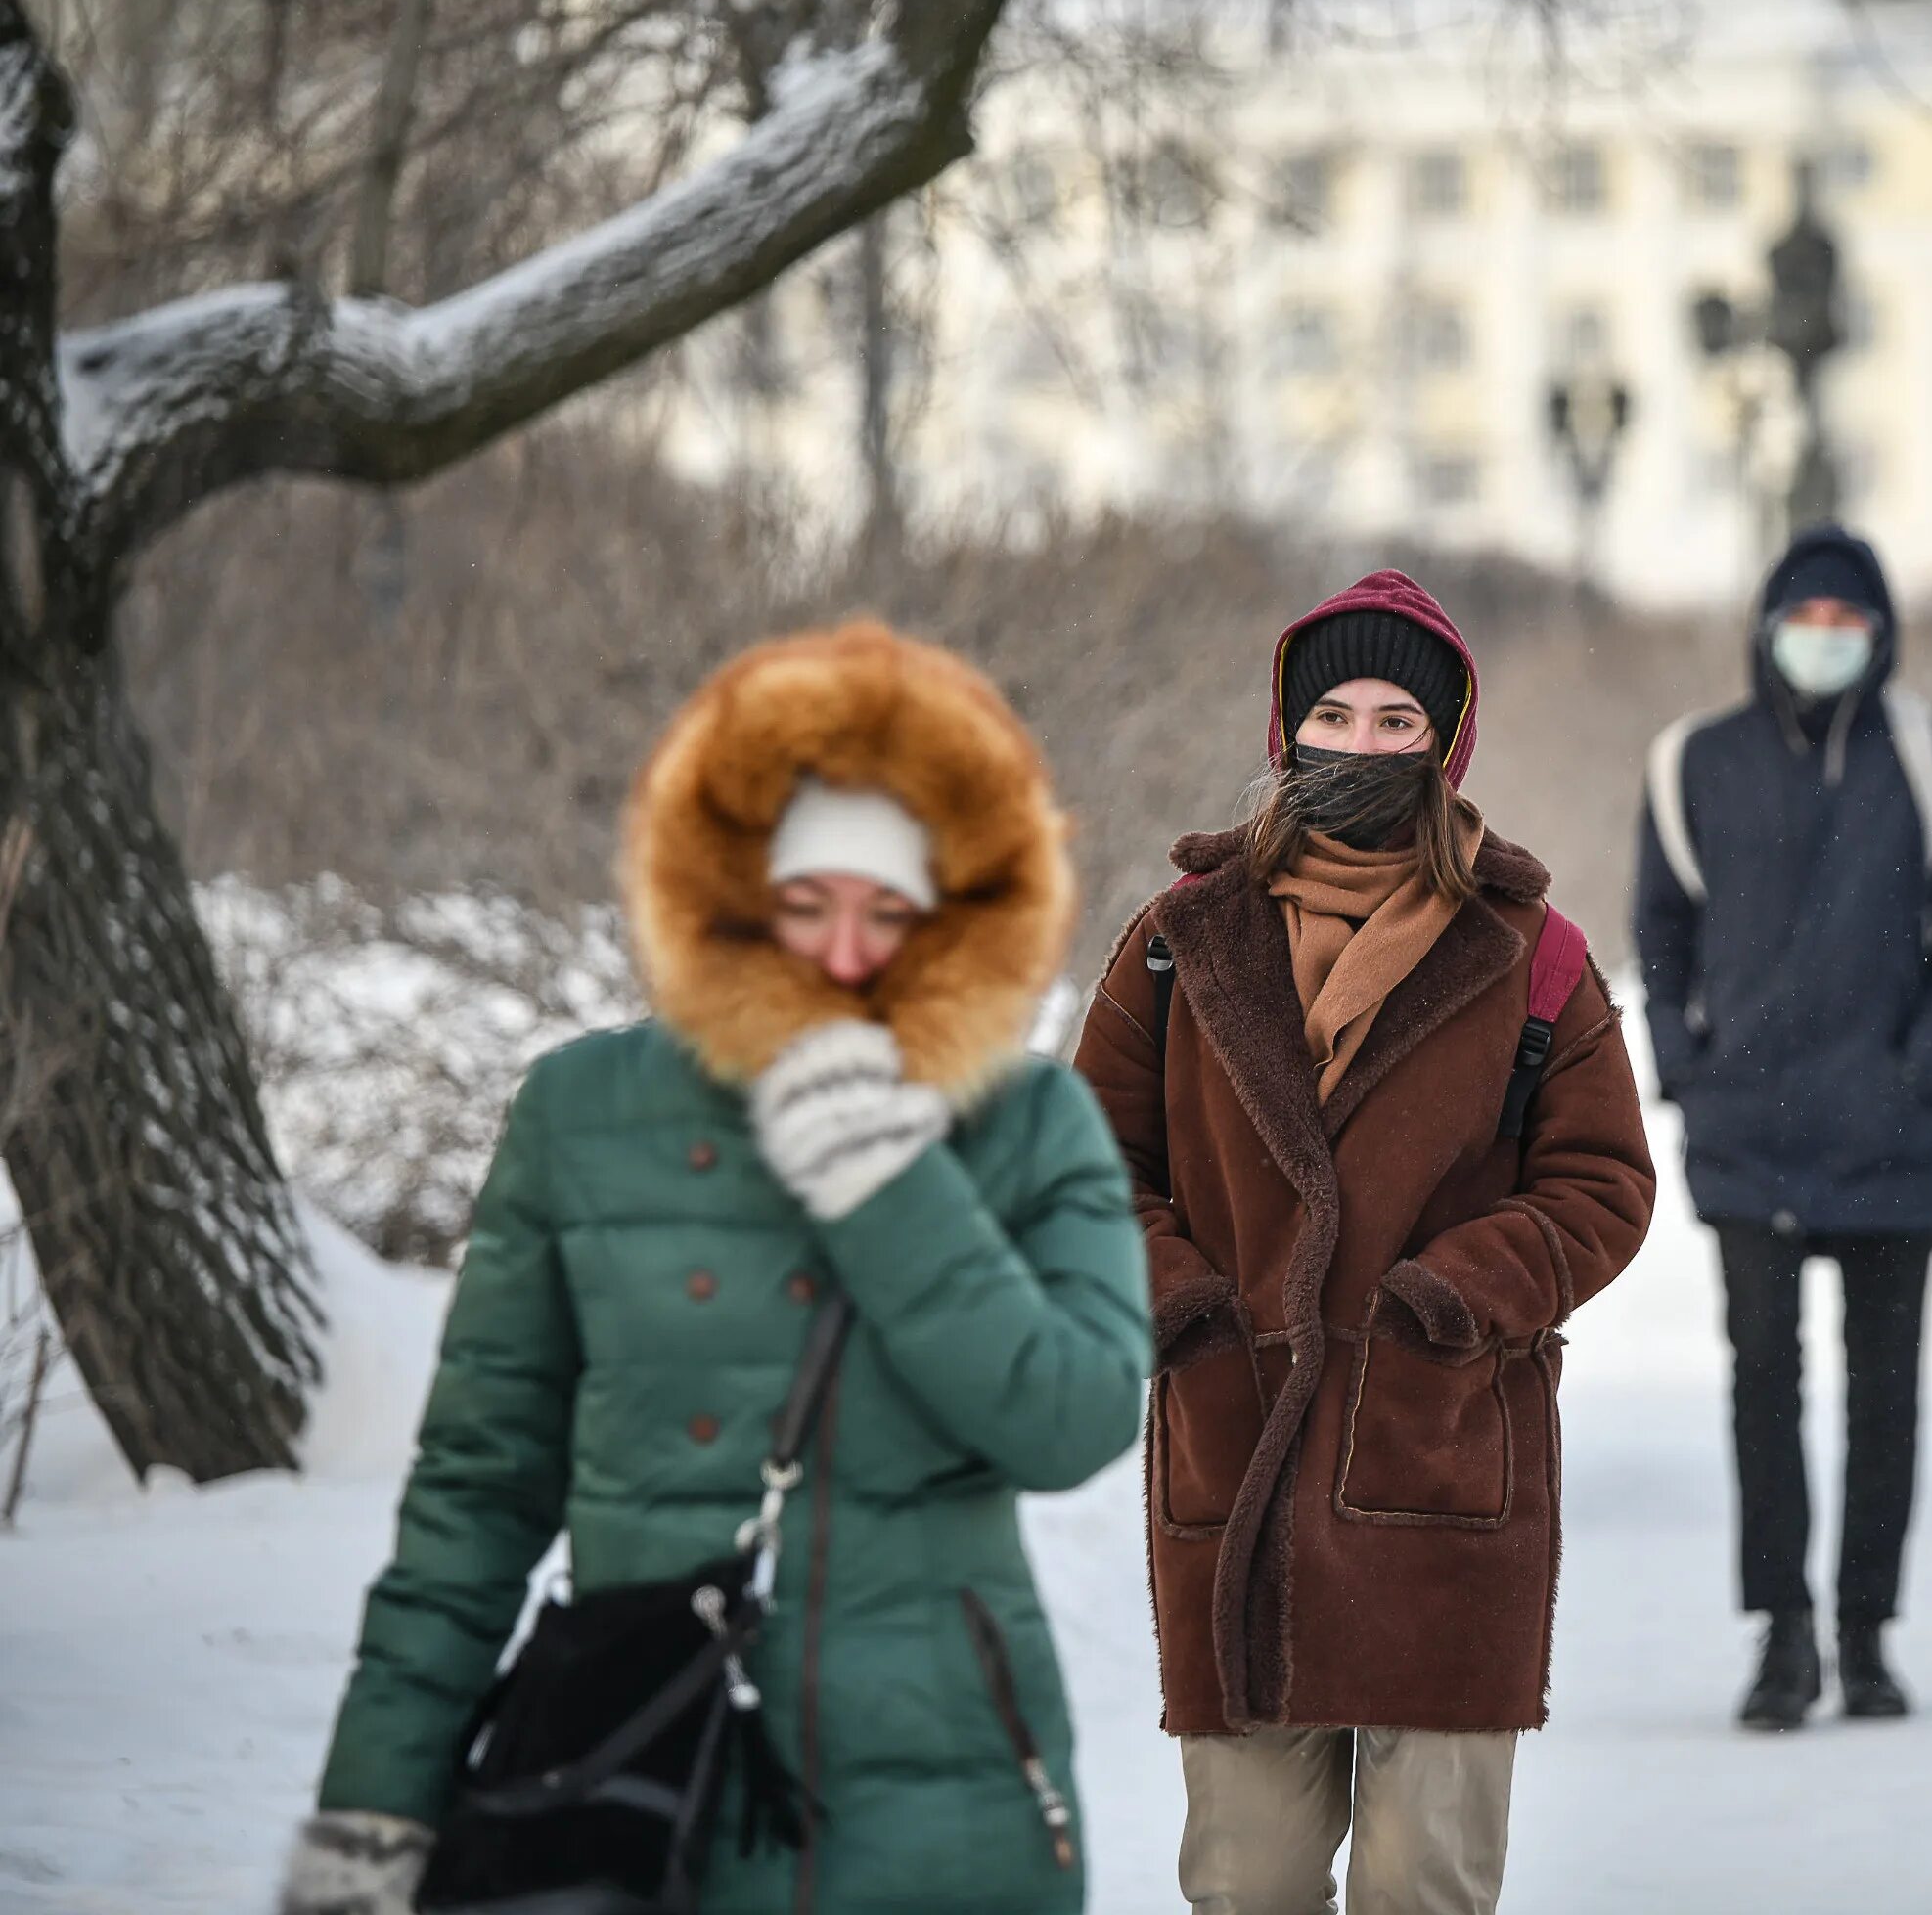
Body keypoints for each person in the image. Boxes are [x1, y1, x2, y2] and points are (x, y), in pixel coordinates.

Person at [285, 623, 1151, 1915]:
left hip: (955, 1796)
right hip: (646, 1779)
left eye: (888, 912)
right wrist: (377, 1795)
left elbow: (1075, 1420)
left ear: (957, 916)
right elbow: (481, 1488)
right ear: (736, 892)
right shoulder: (583, 1113)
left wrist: (890, 1188)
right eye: (806, 906)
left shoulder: (1024, 1121)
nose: (844, 955)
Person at [1074, 571, 1655, 1915]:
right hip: (1242, 1456)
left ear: (1446, 743)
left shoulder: (1534, 952)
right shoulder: (1177, 945)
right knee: (1248, 1883)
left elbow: (1604, 1182)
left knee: (1425, 1886)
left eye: (1399, 720)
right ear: (1286, 730)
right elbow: (1085, 1169)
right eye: (1334, 712)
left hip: (1443, 1460)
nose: (1362, 743)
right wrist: (1185, 1309)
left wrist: (1450, 1300)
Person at [1632, 524, 1932, 1733]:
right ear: (1767, 627)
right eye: (1809, 619)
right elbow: (1658, 927)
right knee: (1763, 1385)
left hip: (1888, 1131)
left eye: (1851, 623)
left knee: (1884, 1390)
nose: (1827, 641)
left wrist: (1922, 1067)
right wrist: (1686, 1067)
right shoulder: (1695, 760)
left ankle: (1866, 1631)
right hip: (1747, 1134)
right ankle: (1782, 1635)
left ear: (1882, 635)